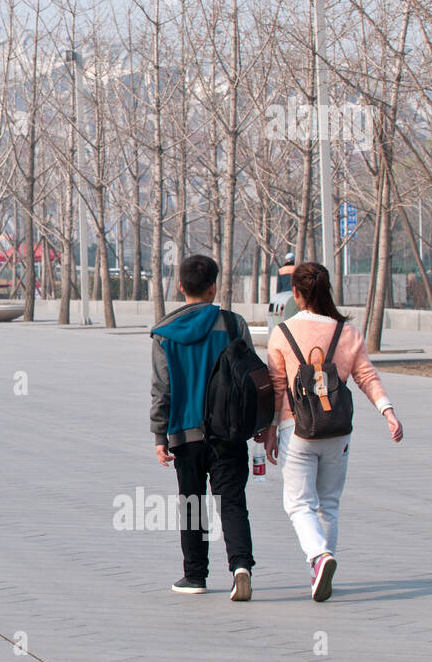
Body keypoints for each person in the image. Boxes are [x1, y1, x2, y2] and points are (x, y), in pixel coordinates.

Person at [267, 262, 404, 603]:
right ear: (327, 290)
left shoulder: (282, 333)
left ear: (296, 294)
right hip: (338, 431)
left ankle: (318, 557)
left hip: (296, 429)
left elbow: (277, 387)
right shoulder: (347, 332)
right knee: (328, 503)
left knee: (298, 503)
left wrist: (269, 430)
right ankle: (322, 566)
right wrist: (388, 412)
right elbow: (366, 376)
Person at [150, 254, 270, 601]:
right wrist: (261, 423)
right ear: (214, 286)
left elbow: (163, 388)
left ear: (180, 287)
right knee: (232, 500)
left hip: (185, 433)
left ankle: (195, 575)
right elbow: (252, 378)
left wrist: (160, 435)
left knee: (191, 502)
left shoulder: (164, 333)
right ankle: (241, 567)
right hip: (228, 432)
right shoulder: (233, 325)